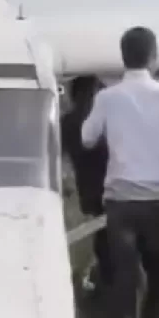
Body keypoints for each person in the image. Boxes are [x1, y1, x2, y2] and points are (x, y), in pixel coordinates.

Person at [81, 26, 159, 318]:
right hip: (158, 201)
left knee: (125, 277)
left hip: (121, 203)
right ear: (153, 56)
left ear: (123, 57)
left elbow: (87, 137)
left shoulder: (107, 97)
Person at [60, 75, 113, 289]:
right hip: (116, 190)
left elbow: (60, 158)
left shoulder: (67, 122)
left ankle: (100, 285)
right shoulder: (106, 119)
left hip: (87, 193)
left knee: (100, 243)